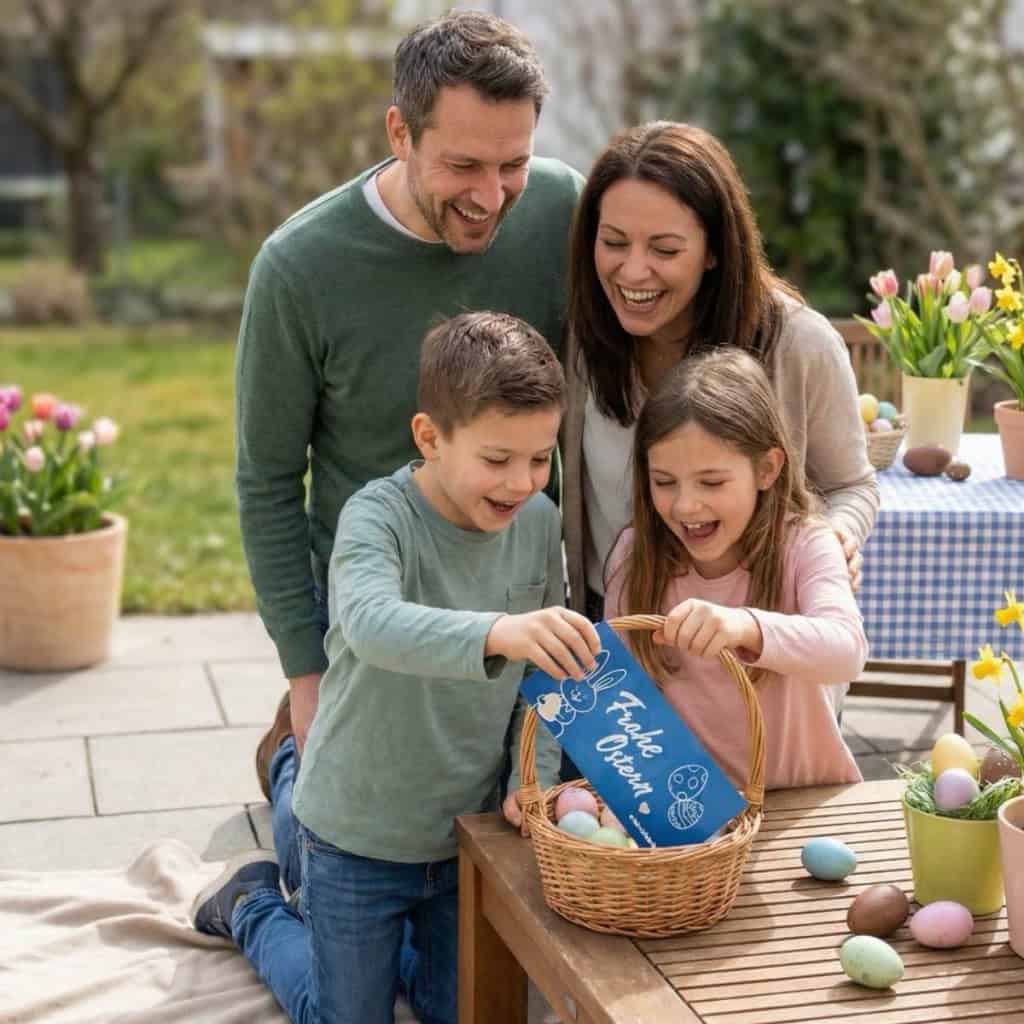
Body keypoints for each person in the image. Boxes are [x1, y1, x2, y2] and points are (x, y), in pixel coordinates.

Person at [193, 311, 600, 1024]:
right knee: (343, 1015)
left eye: (540, 460)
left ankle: (385, 948)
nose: (521, 482)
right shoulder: (376, 517)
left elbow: (548, 676)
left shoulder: (536, 524)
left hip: (464, 837)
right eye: (497, 459)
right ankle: (254, 905)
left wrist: (527, 780)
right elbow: (371, 624)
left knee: (460, 1011)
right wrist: (503, 631)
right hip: (355, 835)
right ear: (429, 437)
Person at [236, 9, 585, 785]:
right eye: (463, 166)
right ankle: (288, 759)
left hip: (521, 603)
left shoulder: (560, 209)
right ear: (400, 131)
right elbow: (264, 482)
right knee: (357, 842)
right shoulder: (299, 267)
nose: (491, 197)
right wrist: (306, 674)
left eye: (513, 165)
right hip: (378, 616)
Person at [561, 121, 878, 629]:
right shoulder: (583, 341)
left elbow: (852, 485)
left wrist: (835, 536)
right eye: (614, 242)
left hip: (757, 645)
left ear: (713, 250)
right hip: (620, 632)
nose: (633, 271)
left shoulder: (799, 343)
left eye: (665, 250)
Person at [604, 347, 867, 789]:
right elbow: (617, 692)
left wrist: (745, 627)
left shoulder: (806, 543)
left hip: (803, 801)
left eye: (712, 482)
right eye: (664, 482)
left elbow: (846, 651)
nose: (686, 505)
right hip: (695, 816)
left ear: (766, 468)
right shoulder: (635, 555)